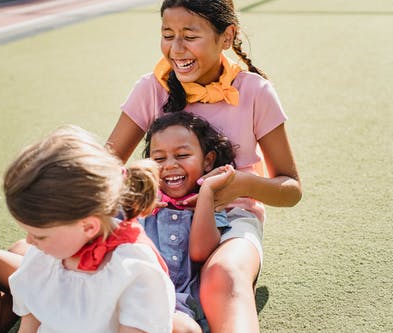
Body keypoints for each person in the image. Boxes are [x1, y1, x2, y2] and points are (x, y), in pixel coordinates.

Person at [106, 0, 302, 332]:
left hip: (232, 221)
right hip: (156, 216)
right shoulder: (151, 88)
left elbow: (291, 189)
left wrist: (240, 185)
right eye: (168, 34)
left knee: (223, 276)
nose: (176, 48)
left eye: (189, 35)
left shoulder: (255, 91)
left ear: (227, 36)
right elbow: (105, 168)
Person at [0, 125, 175, 333]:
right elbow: (31, 322)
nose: (30, 242)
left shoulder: (135, 271)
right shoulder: (45, 253)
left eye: (40, 235)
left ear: (88, 226)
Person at [141, 112, 236, 333]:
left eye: (182, 155)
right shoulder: (141, 201)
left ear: (208, 161)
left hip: (177, 305)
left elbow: (200, 252)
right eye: (159, 159)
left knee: (185, 330)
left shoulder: (211, 208)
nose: (170, 165)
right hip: (132, 294)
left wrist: (207, 192)